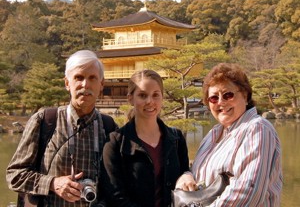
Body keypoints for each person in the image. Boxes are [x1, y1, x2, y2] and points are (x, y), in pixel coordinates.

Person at [6, 50, 118, 206]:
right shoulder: (45, 121)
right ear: (67, 83)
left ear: (101, 84)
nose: (85, 84)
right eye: (79, 77)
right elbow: (14, 176)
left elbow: (119, 184)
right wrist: (52, 183)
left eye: (92, 78)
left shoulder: (109, 127)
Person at [175, 63, 283, 206]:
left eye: (228, 95)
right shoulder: (213, 135)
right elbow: (200, 174)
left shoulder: (257, 129)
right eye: (214, 98)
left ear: (245, 96)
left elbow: (248, 192)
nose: (221, 102)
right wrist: (186, 175)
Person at [101, 69, 189, 207]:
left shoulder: (176, 139)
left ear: (162, 97)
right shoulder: (115, 143)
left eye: (155, 95)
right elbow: (115, 196)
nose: (150, 101)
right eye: (142, 95)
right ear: (130, 98)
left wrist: (188, 175)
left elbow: (184, 176)